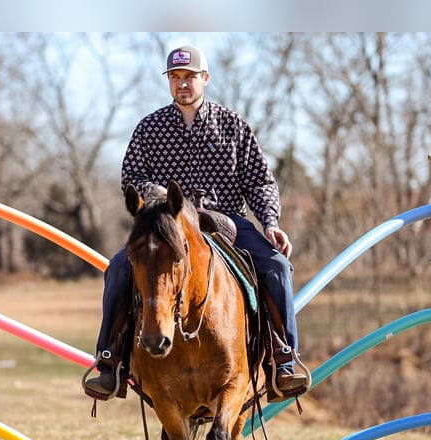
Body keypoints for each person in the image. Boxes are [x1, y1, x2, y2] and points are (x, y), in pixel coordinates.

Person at [82, 45, 309, 403]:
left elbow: (260, 181)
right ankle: (110, 361)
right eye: (175, 77)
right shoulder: (150, 128)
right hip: (167, 224)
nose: (182, 84)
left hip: (226, 221)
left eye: (189, 77)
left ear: (205, 78)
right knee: (119, 269)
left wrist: (269, 222)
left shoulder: (233, 125)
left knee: (278, 267)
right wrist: (154, 191)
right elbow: (131, 177)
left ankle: (284, 359)